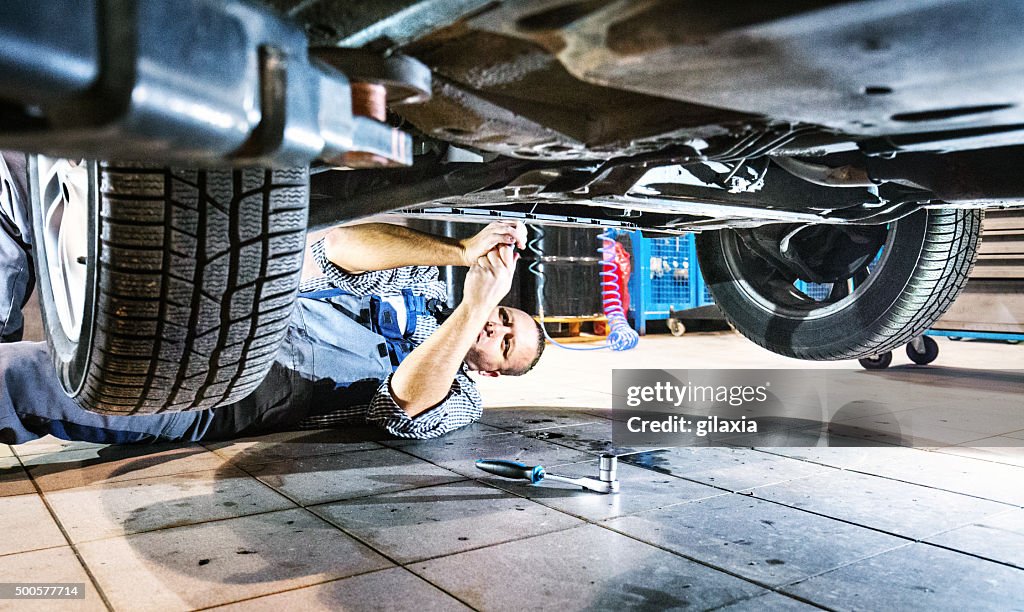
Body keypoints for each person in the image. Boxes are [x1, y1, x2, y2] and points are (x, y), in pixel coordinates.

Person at [0, 152, 545, 445]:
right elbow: (338, 245)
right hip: (224, 301)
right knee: (30, 182)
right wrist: (460, 251)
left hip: (215, 395)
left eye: (504, 342)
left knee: (22, 378)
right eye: (503, 317)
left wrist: (476, 306)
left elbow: (401, 404)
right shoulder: (422, 288)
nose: (494, 329)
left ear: (494, 372)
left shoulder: (463, 400)